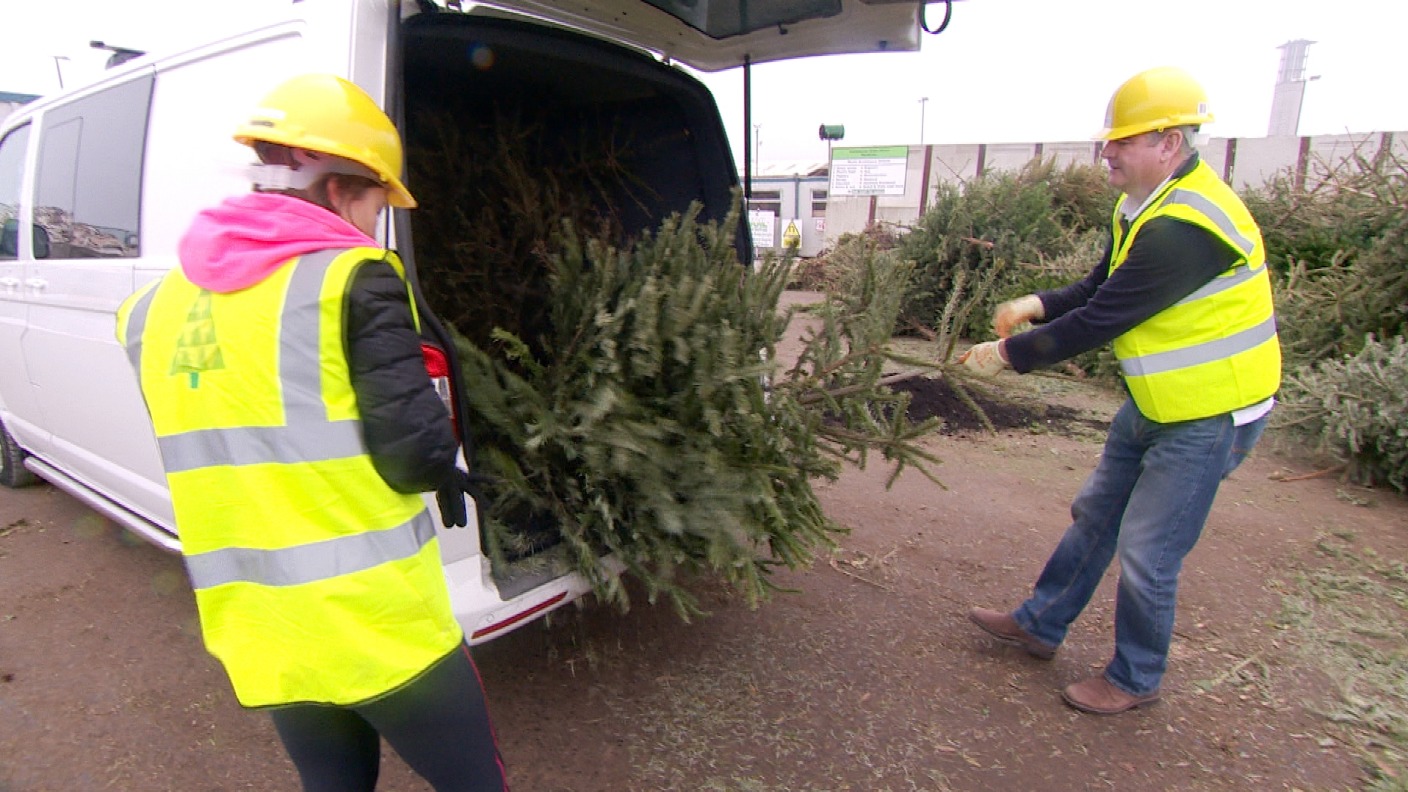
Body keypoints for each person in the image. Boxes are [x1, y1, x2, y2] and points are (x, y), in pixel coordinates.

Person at [116, 74, 507, 790]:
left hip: (268, 632)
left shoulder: (149, 310)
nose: (374, 223)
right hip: (381, 629)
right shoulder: (354, 278)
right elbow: (419, 454)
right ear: (337, 191)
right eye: (376, 202)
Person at [959, 66, 1281, 715]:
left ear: (1168, 142)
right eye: (1109, 140)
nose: (1108, 151)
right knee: (1097, 514)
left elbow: (1105, 319)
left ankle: (1136, 678)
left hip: (1212, 413)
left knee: (1148, 549)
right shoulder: (1142, 205)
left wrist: (1005, 355)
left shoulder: (1188, 226)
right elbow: (1097, 289)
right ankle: (1040, 622)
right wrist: (1038, 303)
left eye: (1123, 141)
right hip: (1157, 401)